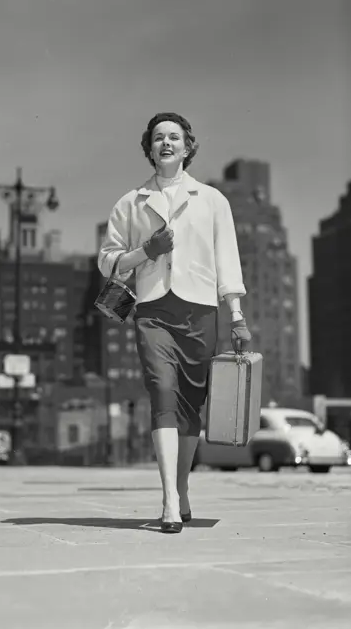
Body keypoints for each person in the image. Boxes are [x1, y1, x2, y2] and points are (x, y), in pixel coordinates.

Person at [98, 112, 251, 533]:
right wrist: (147, 250)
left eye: (174, 137)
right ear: (149, 148)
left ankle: (182, 489)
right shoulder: (130, 203)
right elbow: (108, 260)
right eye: (158, 138)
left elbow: (227, 261)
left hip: (200, 311)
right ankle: (168, 500)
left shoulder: (213, 200)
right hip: (152, 311)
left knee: (189, 406)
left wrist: (236, 316)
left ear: (188, 147)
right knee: (162, 394)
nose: (166, 143)